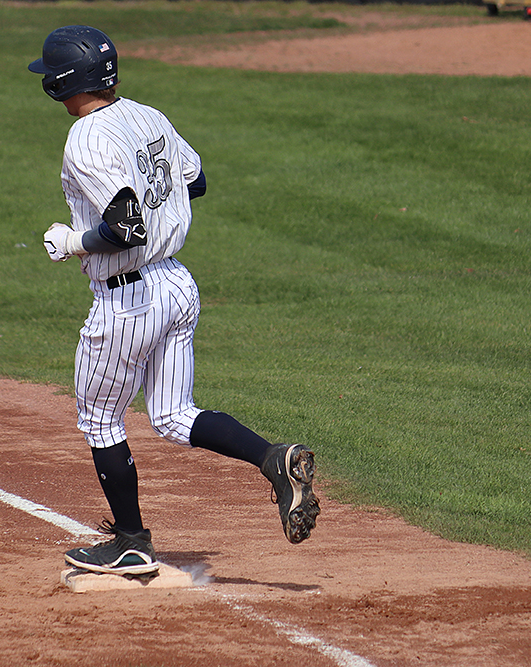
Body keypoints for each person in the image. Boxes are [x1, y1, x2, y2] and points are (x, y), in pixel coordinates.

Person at [29, 25, 320, 576]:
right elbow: (196, 180)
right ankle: (272, 458)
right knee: (172, 414)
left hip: (129, 300)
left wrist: (73, 242)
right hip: (176, 285)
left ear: (60, 83)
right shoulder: (147, 115)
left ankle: (131, 543)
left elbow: (126, 229)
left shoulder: (85, 138)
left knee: (100, 421)